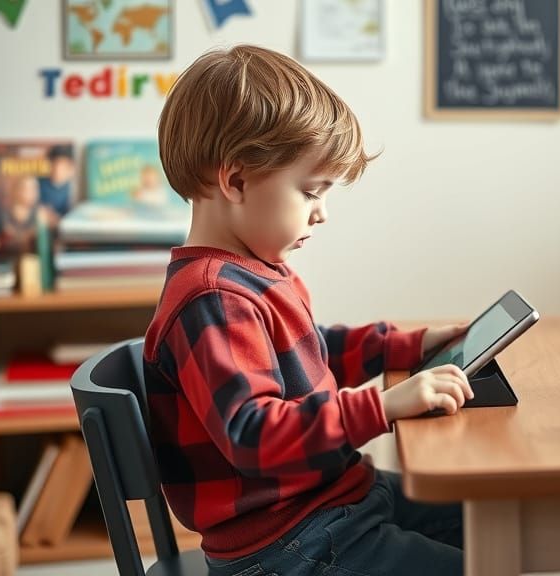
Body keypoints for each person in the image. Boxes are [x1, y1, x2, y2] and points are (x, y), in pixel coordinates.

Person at [143, 44, 473, 576]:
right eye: (311, 191)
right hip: (287, 545)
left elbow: (311, 350)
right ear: (236, 181)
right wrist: (382, 406)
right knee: (486, 559)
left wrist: (407, 345)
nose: (321, 214)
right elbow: (253, 434)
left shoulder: (252, 272)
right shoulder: (212, 299)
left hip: (331, 504)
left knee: (495, 519)